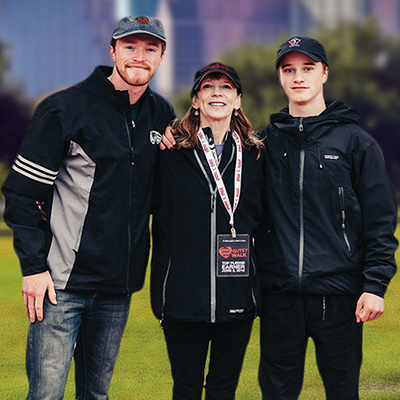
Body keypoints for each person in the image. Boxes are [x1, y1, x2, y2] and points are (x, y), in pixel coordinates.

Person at [1, 15, 175, 399]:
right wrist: (33, 269)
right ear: (113, 50)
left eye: (150, 48)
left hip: (118, 287)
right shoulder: (65, 109)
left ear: (161, 56)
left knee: (96, 395)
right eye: (130, 47)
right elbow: (21, 194)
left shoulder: (160, 114)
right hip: (61, 286)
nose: (139, 57)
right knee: (46, 395)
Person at [256, 36, 398, 399]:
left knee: (342, 392)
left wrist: (374, 285)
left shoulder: (355, 143)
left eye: (307, 68)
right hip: (279, 296)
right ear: (280, 77)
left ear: (324, 73)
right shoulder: (263, 144)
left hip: (339, 297)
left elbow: (380, 222)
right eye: (289, 70)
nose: (298, 77)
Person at [151, 62, 265, 400]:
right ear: (196, 100)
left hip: (238, 296)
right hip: (182, 297)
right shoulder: (169, 155)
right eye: (209, 87)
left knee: (223, 389)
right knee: (186, 389)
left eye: (226, 87)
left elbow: (266, 220)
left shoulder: (256, 157)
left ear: (238, 100)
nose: (217, 92)